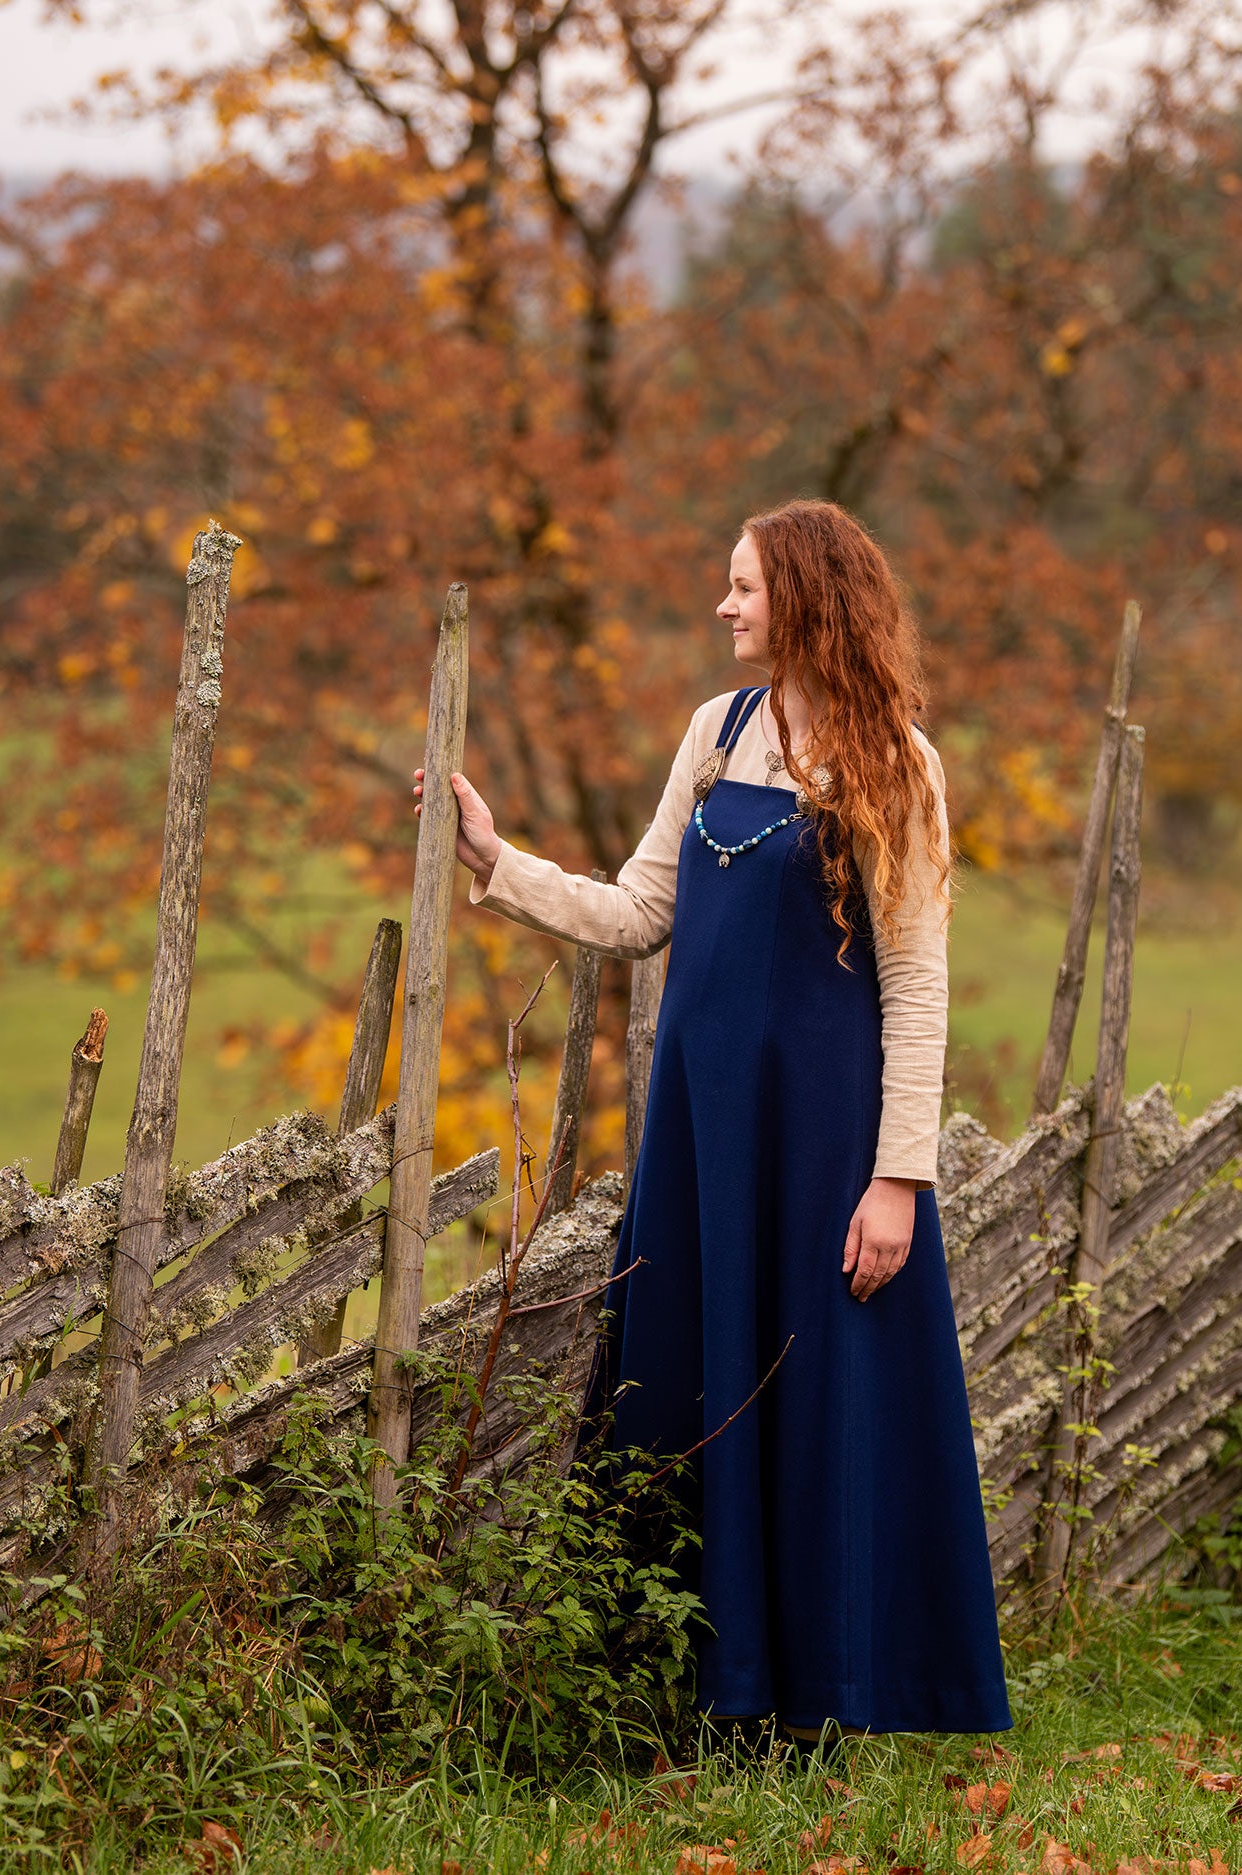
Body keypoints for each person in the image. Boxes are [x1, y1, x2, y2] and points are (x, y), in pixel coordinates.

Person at [411, 497, 1012, 1742]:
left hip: (824, 1144)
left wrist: (897, 1178)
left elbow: (918, 988)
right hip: (701, 1140)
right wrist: (494, 861)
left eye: (742, 585)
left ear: (801, 595)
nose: (724, 606)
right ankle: (687, 1696)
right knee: (685, 1381)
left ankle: (821, 1703)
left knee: (818, 1400)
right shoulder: (715, 730)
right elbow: (639, 913)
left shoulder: (901, 763)